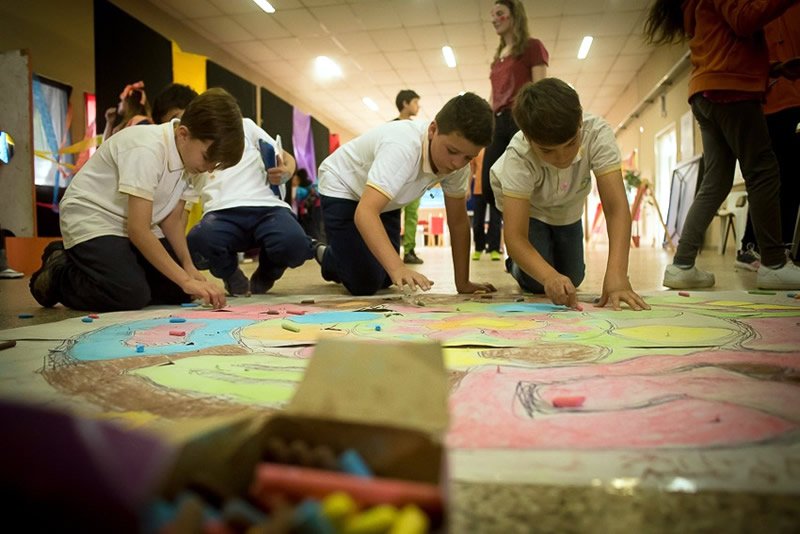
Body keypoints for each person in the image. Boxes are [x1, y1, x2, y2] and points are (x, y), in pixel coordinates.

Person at [29, 88, 244, 311]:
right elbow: (138, 230)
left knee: (181, 291)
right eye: (208, 158)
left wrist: (188, 267)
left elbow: (171, 220)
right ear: (183, 134)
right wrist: (184, 279)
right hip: (94, 218)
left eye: (216, 164)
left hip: (131, 225)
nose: (209, 168)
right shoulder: (147, 148)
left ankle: (116, 272)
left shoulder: (195, 162)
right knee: (129, 294)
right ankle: (59, 272)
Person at [645, 0, 800, 290]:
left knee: (715, 182)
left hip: (706, 91)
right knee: (763, 171)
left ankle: (682, 265)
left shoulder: (696, 6)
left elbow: (724, 44)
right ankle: (774, 264)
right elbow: (743, 19)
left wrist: (774, 69)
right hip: (732, 90)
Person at [491, 79, 650, 311]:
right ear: (527, 138)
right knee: (538, 282)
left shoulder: (597, 134)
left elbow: (616, 209)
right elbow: (515, 237)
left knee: (573, 277)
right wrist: (548, 276)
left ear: (580, 122)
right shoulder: (518, 155)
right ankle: (515, 265)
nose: (562, 157)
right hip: (530, 209)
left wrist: (617, 274)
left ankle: (538, 261)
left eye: (571, 143)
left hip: (568, 204)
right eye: (548, 151)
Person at [315, 92, 497, 296]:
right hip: (343, 186)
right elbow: (365, 212)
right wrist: (398, 267)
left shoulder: (459, 165)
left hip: (386, 199)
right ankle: (327, 255)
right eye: (452, 151)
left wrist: (463, 283)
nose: (457, 163)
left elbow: (458, 223)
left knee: (386, 277)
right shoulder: (403, 146)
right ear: (433, 130)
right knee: (365, 283)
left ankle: (348, 256)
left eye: (468, 157)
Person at [186, 118, 316, 296]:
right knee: (198, 240)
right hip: (220, 210)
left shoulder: (245, 125)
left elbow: (284, 155)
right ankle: (231, 275)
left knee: (295, 243)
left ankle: (267, 273)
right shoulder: (192, 140)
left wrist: (287, 171)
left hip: (268, 205)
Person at [481, 0, 549, 262]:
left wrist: (536, 123)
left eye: (500, 13)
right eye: (492, 14)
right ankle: (519, 236)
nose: (494, 19)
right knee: (489, 186)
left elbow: (540, 87)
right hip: (497, 122)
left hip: (521, 118)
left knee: (523, 180)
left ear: (514, 16)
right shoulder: (498, 59)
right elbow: (493, 97)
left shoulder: (532, 47)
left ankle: (528, 242)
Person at [734, 4, 800, 271]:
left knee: (791, 178)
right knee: (769, 178)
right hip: (766, 101)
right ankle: (755, 246)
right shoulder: (754, 9)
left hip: (792, 98)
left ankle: (783, 247)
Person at [394, 89, 425, 265]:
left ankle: (409, 251)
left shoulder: (418, 129)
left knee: (412, 215)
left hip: (413, 180)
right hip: (395, 180)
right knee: (392, 215)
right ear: (405, 103)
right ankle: (391, 250)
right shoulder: (391, 126)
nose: (418, 106)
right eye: (415, 102)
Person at [469, 148, 487, 260]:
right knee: (477, 220)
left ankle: (494, 248)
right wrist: (468, 187)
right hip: (478, 189)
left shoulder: (496, 148)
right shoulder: (478, 150)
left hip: (493, 189)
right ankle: (478, 248)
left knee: (495, 221)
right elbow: (471, 169)